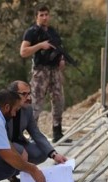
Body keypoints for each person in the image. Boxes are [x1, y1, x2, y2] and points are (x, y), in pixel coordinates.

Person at [0, 80, 67, 182]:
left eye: (29, 93)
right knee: (20, 152)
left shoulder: (28, 109)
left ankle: (13, 173)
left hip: (17, 142)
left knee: (41, 152)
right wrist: (20, 151)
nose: (28, 98)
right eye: (24, 94)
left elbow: (36, 133)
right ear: (13, 95)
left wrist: (53, 154)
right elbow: (1, 139)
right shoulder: (2, 108)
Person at [19, 5, 71, 143]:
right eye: (41, 15)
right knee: (35, 102)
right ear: (36, 16)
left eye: (46, 14)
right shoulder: (31, 32)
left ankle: (57, 131)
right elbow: (23, 52)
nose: (44, 17)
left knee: (59, 100)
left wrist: (62, 59)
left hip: (54, 70)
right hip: (40, 70)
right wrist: (40, 46)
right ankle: (30, 133)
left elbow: (59, 48)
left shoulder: (53, 31)